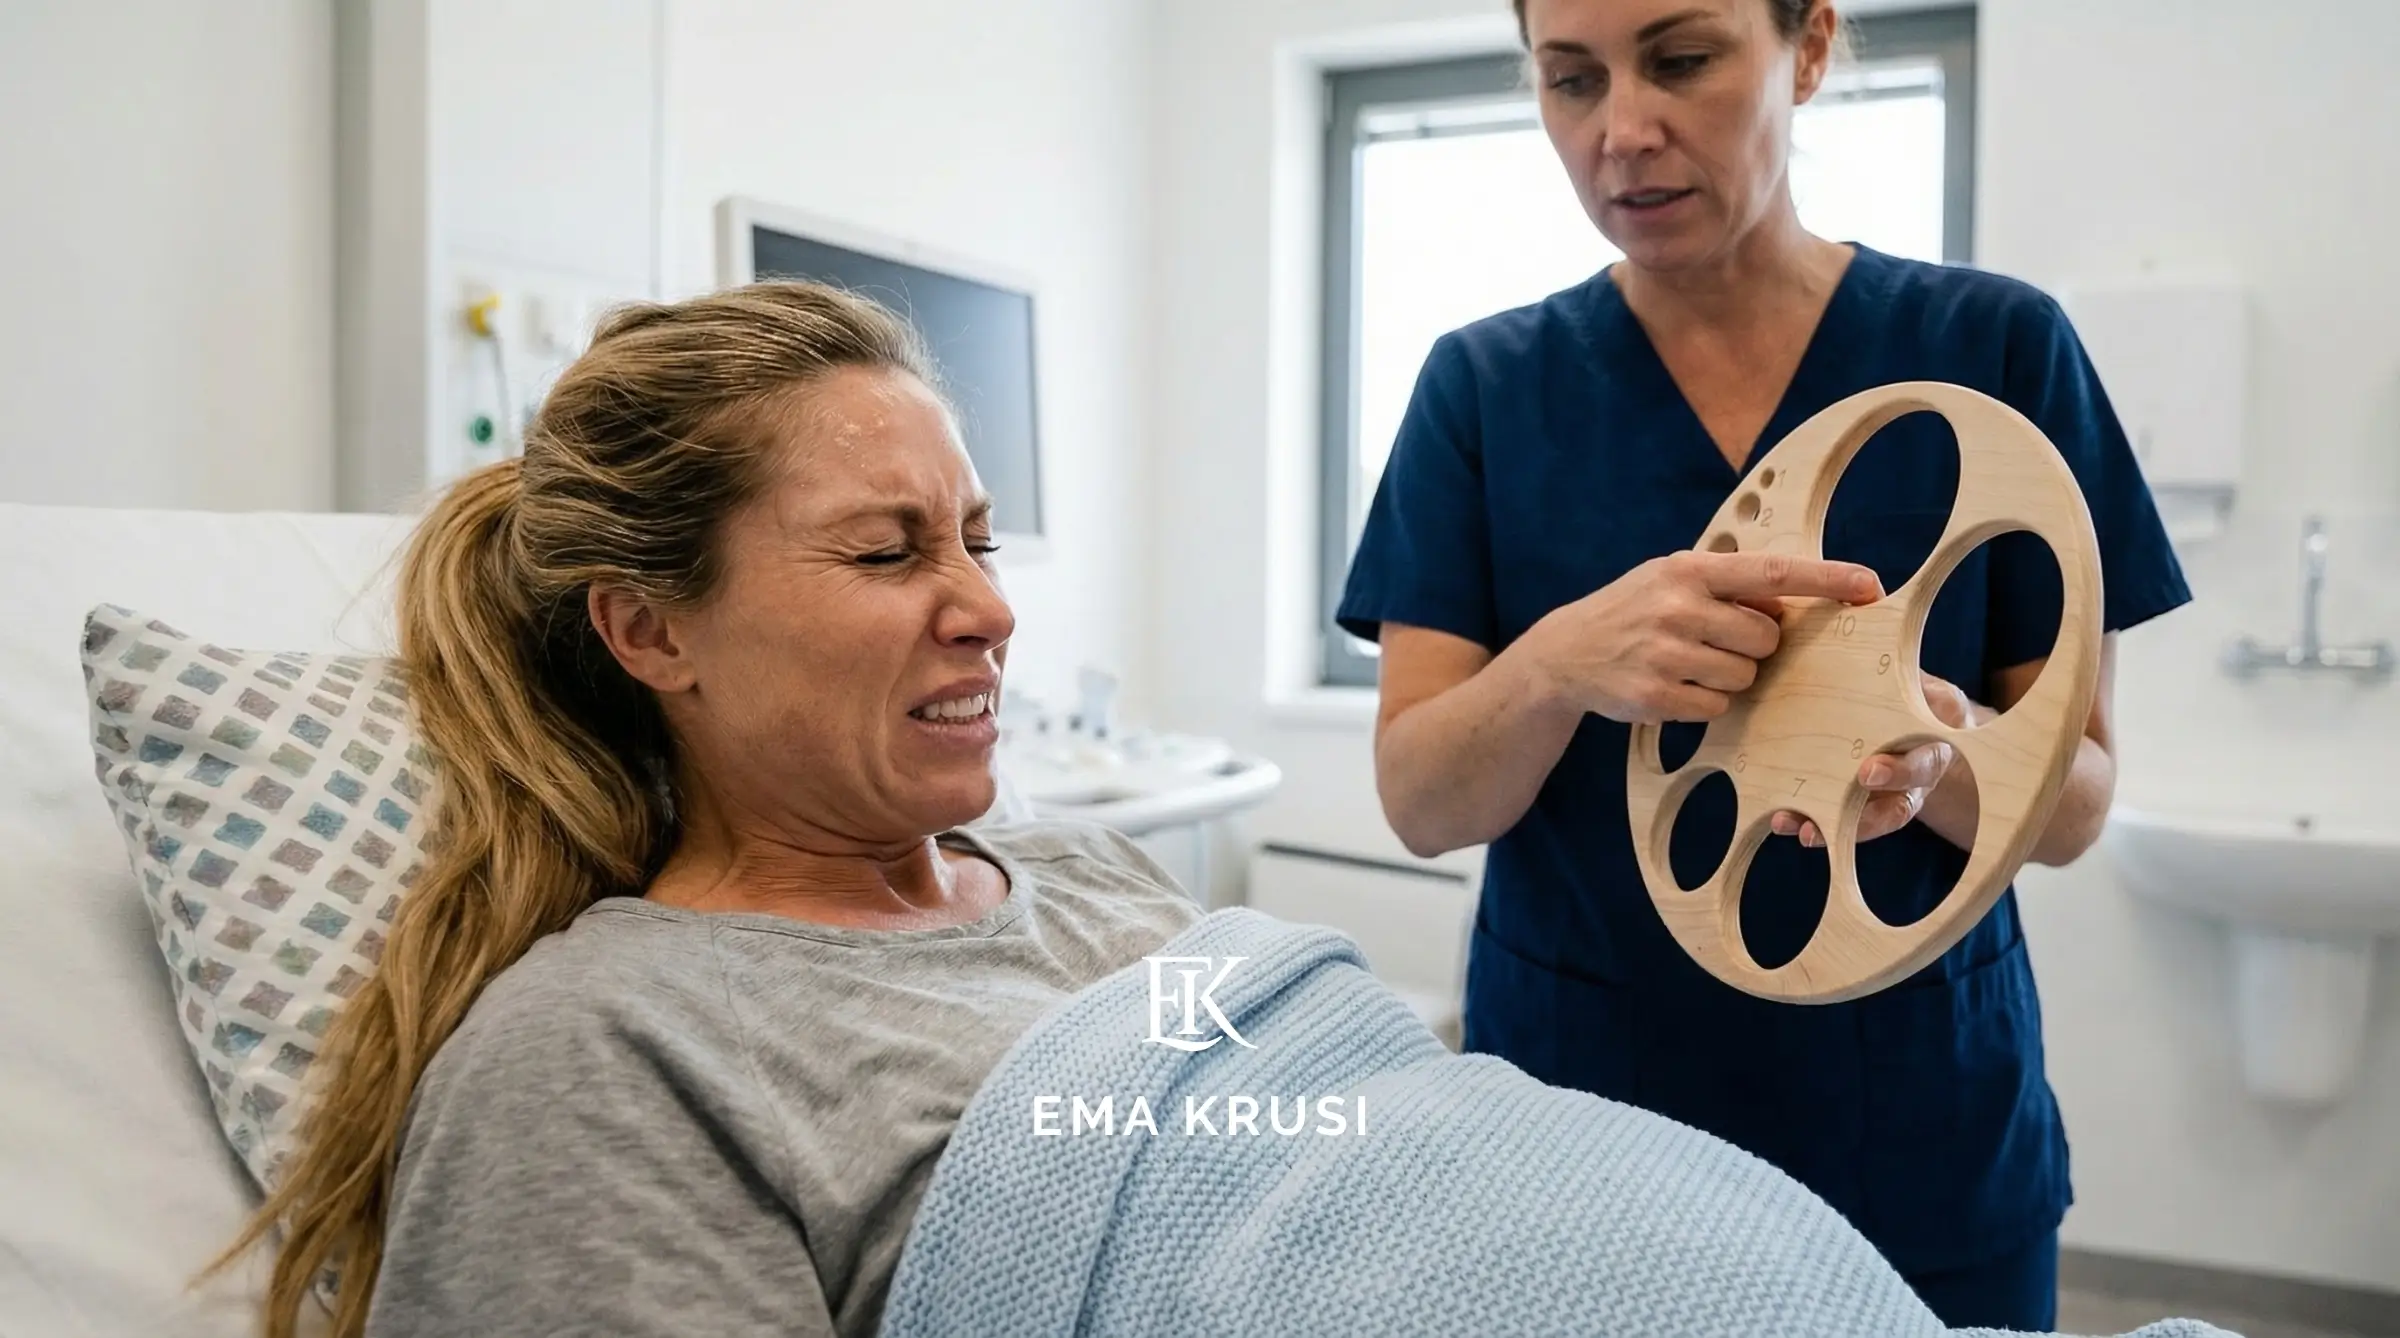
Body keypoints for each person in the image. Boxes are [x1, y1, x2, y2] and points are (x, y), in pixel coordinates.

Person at [1335, 0, 2192, 1329]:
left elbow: (2074, 804)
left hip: (1916, 1129)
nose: (1623, 132)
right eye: (1571, 81)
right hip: (1580, 1125)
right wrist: (1566, 658)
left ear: (1807, 47)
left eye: (1680, 60)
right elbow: (1421, 799)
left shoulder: (1999, 351)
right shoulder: (1484, 391)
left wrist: (1926, 732)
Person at [219, 283, 1206, 1338]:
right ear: (650, 632)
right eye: (885, 551)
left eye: (979, 542)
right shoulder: (606, 1056)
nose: (991, 611)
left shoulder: (1101, 869)